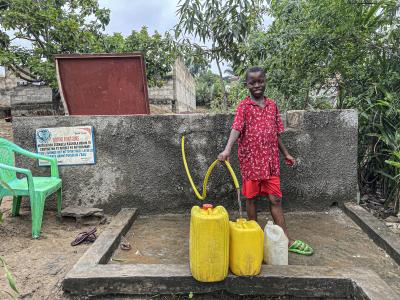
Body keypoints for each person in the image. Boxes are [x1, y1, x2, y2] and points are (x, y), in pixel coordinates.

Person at [217, 66, 313, 255]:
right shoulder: (244, 107)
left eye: (260, 81)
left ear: (265, 81)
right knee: (251, 199)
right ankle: (254, 237)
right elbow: (236, 129)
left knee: (275, 199)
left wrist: (286, 154)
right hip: (251, 163)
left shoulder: (272, 105)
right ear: (247, 85)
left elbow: (275, 134)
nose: (257, 85)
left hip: (270, 163)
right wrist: (227, 149)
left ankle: (285, 239)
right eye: (252, 82)